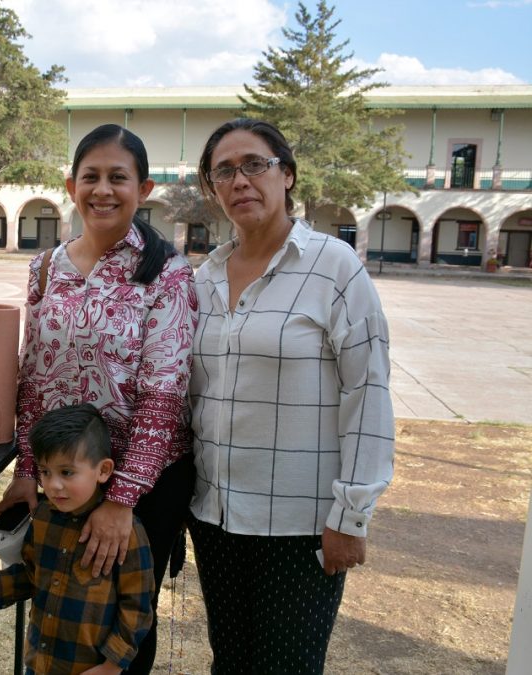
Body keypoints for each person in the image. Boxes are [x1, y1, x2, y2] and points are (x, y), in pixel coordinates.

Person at [189, 117, 395, 673]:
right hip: (215, 515)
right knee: (230, 661)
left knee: (288, 666)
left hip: (300, 524)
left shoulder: (333, 267)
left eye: (255, 164)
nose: (240, 181)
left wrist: (351, 514)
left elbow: (368, 390)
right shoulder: (203, 278)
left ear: (287, 175)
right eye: (223, 171)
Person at [0, 123, 197, 673]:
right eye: (91, 177)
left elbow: (164, 398)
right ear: (70, 185)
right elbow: (33, 379)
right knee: (62, 606)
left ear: (145, 189)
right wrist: (26, 470)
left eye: (118, 178)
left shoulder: (167, 274)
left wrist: (121, 501)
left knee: (123, 622)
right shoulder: (45, 268)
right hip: (65, 474)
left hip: (141, 483)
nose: (103, 190)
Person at [0, 403, 154, 675]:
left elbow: (137, 608)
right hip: (40, 664)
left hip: (90, 669)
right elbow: (32, 575)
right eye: (45, 471)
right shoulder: (42, 517)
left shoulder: (126, 533)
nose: (53, 485)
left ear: (104, 470)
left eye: (66, 472)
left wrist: (111, 666)